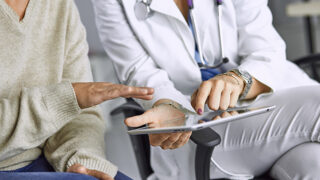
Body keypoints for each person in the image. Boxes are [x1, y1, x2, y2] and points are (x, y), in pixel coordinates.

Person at [93, 0, 320, 179]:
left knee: (313, 165)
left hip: (273, 100)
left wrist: (238, 81)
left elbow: (266, 48)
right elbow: (138, 71)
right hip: (201, 127)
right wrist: (168, 105)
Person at [0, 0, 154, 180]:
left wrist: (82, 161)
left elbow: (79, 114)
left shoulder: (60, 5)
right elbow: (72, 100)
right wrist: (62, 101)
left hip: (40, 162)